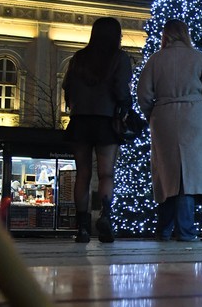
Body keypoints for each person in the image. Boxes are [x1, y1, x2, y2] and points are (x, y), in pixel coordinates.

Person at [137, 18, 202, 242]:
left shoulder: (155, 59)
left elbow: (143, 93)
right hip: (195, 117)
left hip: (163, 118)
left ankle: (163, 229)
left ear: (165, 35)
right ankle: (186, 230)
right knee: (189, 176)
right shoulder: (198, 58)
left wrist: (151, 113)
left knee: (167, 173)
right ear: (185, 34)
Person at [62, 16, 132, 244]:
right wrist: (124, 107)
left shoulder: (79, 57)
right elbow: (121, 89)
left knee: (83, 173)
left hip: (80, 119)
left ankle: (81, 227)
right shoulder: (119, 58)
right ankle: (105, 218)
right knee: (106, 174)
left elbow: (68, 88)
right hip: (106, 120)